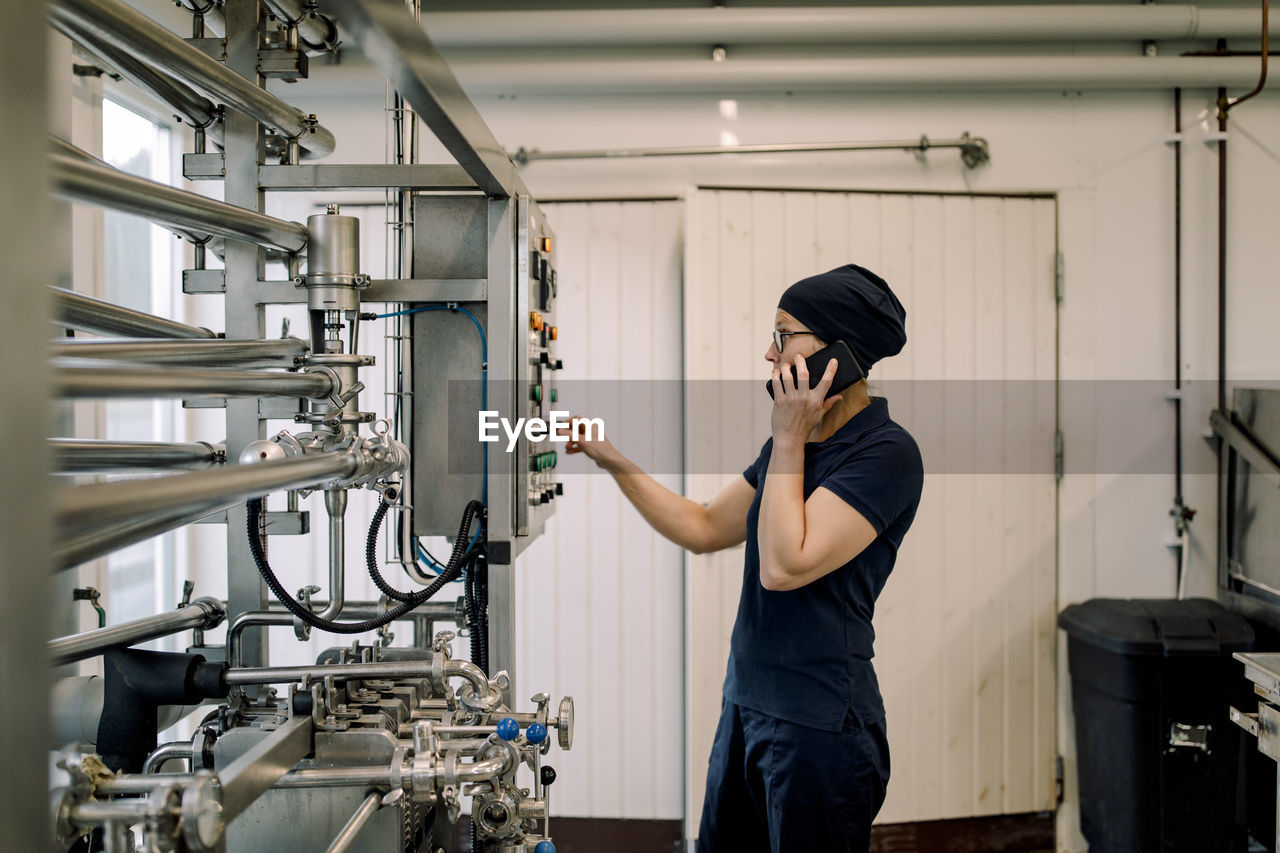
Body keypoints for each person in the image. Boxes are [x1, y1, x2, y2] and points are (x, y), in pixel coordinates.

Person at [565, 263, 924, 853]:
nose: (769, 352)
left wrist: (787, 438)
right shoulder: (795, 446)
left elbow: (785, 566)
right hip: (748, 705)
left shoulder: (886, 453)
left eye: (784, 335)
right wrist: (612, 459)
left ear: (837, 350)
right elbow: (705, 526)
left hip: (820, 725)